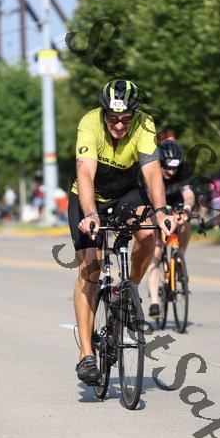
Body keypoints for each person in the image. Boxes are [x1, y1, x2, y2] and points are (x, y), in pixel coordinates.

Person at [69, 79, 176, 384]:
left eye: (125, 119)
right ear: (104, 113)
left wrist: (161, 211)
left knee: (148, 234)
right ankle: (86, 355)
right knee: (90, 268)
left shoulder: (145, 124)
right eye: (112, 118)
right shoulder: (90, 122)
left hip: (125, 195)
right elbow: (85, 171)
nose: (118, 125)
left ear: (134, 114)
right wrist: (91, 214)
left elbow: (152, 171)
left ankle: (126, 294)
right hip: (90, 196)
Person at [147, 140, 196, 319]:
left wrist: (187, 209)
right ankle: (154, 302)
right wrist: (160, 214)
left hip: (176, 207)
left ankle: (179, 257)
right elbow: (148, 197)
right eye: (167, 167)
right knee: (156, 253)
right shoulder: (151, 171)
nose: (171, 171)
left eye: (175, 167)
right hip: (156, 209)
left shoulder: (182, 172)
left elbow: (189, 195)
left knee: (186, 225)